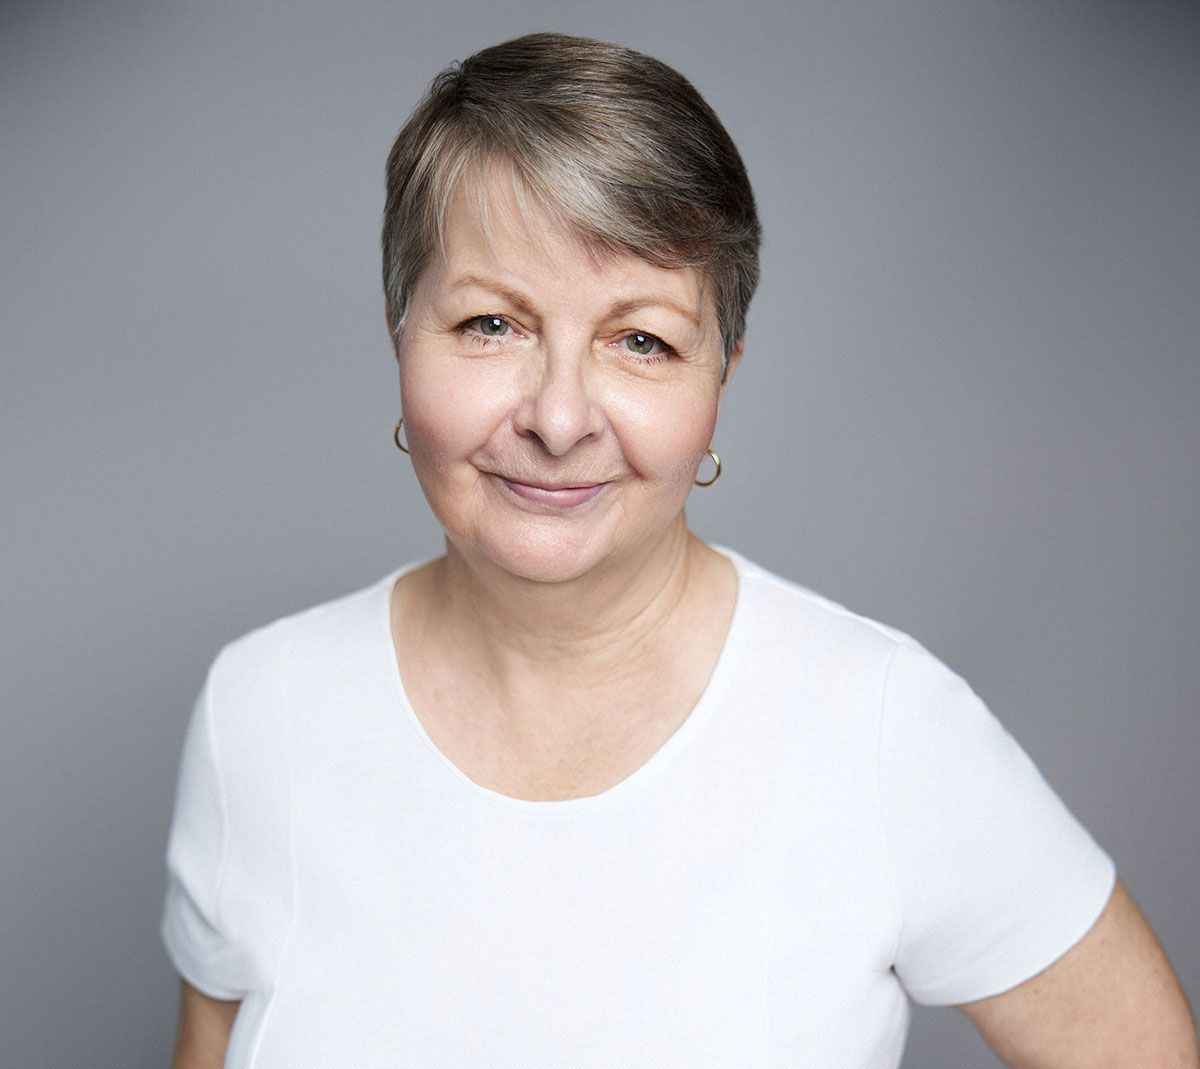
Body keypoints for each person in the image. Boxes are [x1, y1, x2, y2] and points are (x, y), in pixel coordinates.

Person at [161, 32, 1198, 1069]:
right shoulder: (264, 709)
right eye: (490, 324)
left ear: (723, 376)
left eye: (642, 340)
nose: (559, 417)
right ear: (399, 334)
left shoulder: (881, 728)